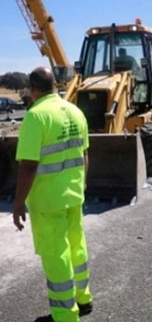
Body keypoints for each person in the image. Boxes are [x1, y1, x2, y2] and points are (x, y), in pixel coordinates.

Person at [12, 67, 93, 322]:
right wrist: (82, 185)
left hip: (48, 201)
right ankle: (84, 299)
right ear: (55, 85)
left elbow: (28, 165)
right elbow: (84, 154)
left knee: (56, 255)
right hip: (73, 195)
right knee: (77, 247)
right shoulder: (75, 112)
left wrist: (18, 203)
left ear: (32, 89)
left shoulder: (36, 116)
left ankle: (65, 316)